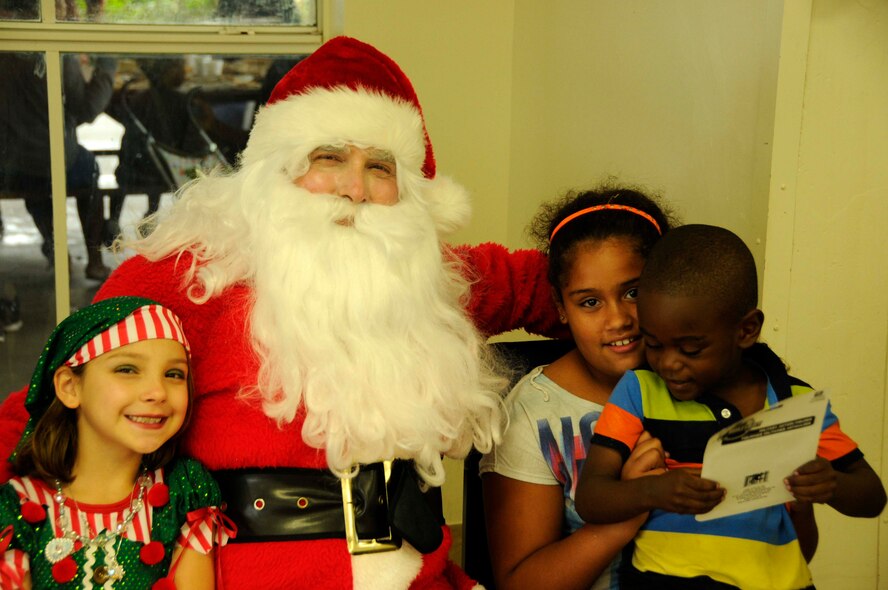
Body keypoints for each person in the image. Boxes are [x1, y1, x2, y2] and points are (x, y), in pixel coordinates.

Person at [0, 36, 564, 589]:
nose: (354, 189)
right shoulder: (190, 272)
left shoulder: (431, 276)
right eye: (329, 157)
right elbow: (51, 402)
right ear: (275, 168)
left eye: (380, 167)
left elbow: (577, 279)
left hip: (421, 573)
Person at [575, 224, 887, 589]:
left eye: (691, 349)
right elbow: (591, 497)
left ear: (746, 330)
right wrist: (653, 491)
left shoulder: (796, 403)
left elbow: (872, 497)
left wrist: (830, 483)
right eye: (654, 343)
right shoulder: (641, 391)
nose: (669, 364)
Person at [480, 187, 675, 589]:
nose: (618, 319)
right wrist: (626, 509)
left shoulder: (716, 386)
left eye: (634, 293)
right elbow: (520, 583)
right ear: (559, 308)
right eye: (590, 302)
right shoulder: (534, 415)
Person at [0, 296, 234, 589]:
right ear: (70, 387)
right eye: (127, 370)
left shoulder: (184, 495)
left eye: (174, 374)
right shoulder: (16, 508)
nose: (157, 392)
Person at [0, 0, 115, 280]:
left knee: (37, 178)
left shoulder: (8, 38)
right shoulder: (51, 45)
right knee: (89, 168)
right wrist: (108, 65)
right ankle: (94, 259)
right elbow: (86, 108)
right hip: (49, 159)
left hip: (10, 162)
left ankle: (55, 247)